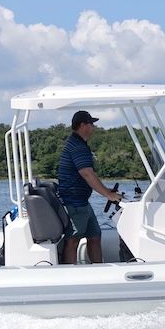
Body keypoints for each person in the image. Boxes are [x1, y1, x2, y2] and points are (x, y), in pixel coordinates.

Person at [57, 109, 124, 264]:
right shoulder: (77, 147)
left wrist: (108, 191)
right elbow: (87, 174)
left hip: (82, 203)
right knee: (73, 240)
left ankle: (98, 269)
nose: (94, 127)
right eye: (91, 124)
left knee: (94, 236)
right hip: (74, 202)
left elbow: (90, 175)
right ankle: (69, 276)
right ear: (83, 125)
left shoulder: (79, 144)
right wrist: (109, 195)